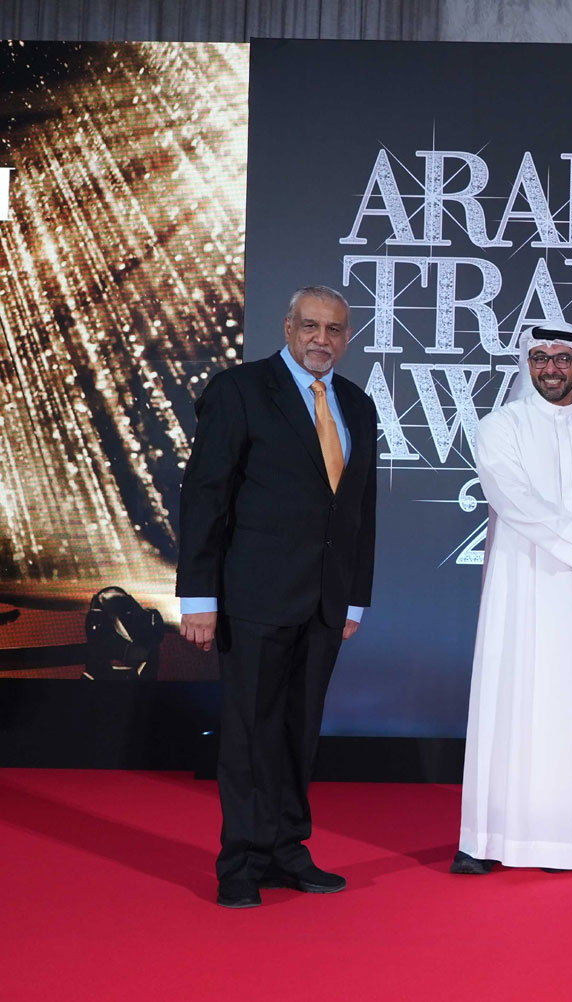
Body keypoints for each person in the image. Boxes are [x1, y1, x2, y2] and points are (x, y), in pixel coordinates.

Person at [177, 285, 378, 909]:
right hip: (254, 597)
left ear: (348, 337)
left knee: (299, 732)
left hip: (325, 603)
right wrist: (198, 596)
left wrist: (355, 596)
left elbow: (360, 508)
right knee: (248, 733)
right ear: (288, 327)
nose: (322, 338)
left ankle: (287, 850)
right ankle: (240, 861)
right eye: (310, 325)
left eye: (335, 329)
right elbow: (205, 496)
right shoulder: (239, 390)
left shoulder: (357, 403)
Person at [452, 322, 572, 875]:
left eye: (562, 358)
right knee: (505, 701)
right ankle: (485, 840)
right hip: (518, 584)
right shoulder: (501, 426)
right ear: (527, 364)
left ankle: (564, 841)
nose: (551, 368)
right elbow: (513, 499)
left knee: (569, 709)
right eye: (540, 357)